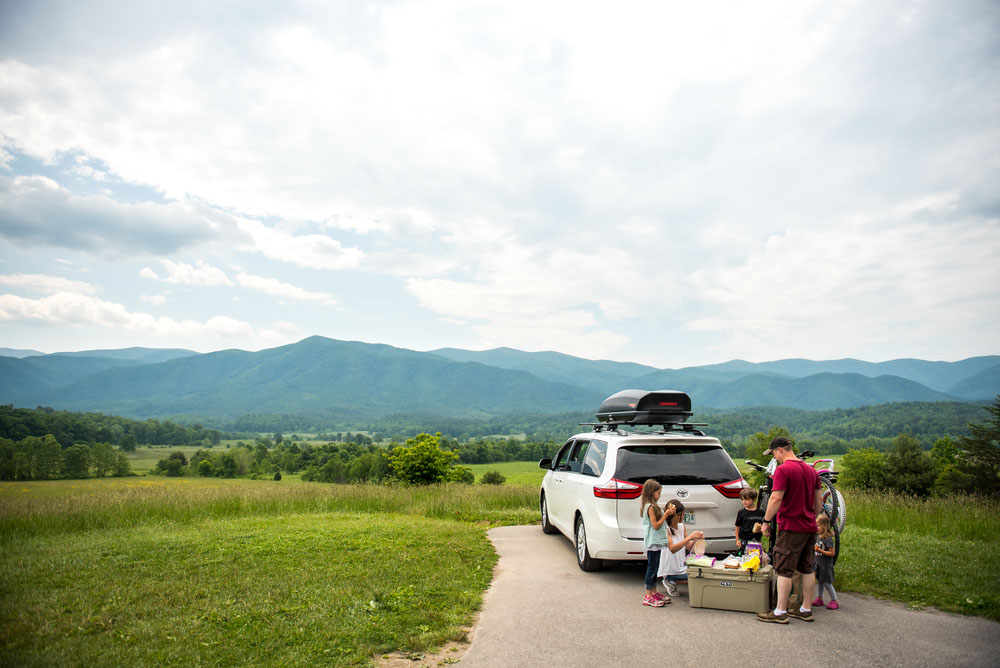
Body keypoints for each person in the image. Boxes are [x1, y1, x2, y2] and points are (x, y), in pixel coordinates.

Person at [757, 436, 822, 624]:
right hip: (810, 526)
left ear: (780, 450)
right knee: (807, 568)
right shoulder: (811, 471)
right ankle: (805, 609)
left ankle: (780, 612)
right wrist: (813, 517)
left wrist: (766, 520)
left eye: (774, 454)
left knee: (783, 569)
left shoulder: (783, 470)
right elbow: (818, 501)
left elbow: (776, 498)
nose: (775, 458)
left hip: (791, 526)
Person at [657, 498, 705, 598]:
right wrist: (689, 537)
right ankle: (669, 580)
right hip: (670, 570)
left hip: (681, 567)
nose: (682, 517)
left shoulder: (682, 526)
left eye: (682, 514)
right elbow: (672, 549)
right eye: (679, 515)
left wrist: (696, 539)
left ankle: (673, 580)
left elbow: (688, 546)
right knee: (698, 576)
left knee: (703, 572)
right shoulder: (665, 529)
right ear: (671, 516)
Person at [640, 479, 672, 606]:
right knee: (652, 568)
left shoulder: (654, 507)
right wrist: (666, 515)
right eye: (658, 493)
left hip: (657, 542)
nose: (660, 495)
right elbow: (656, 525)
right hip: (653, 542)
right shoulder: (650, 507)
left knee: (655, 568)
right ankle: (648, 595)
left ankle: (654, 592)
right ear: (651, 493)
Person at [812, 513, 839, 610]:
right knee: (819, 581)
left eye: (818, 525)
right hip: (818, 564)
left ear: (824, 526)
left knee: (827, 583)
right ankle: (819, 597)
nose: (816, 527)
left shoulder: (828, 540)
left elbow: (832, 553)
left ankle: (834, 600)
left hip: (825, 565)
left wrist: (820, 551)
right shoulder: (817, 537)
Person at [734, 487, 764, 553]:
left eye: (746, 499)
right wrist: (737, 540)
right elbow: (737, 527)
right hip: (744, 539)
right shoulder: (741, 512)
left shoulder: (760, 512)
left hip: (756, 539)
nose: (744, 502)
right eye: (742, 499)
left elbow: (765, 524)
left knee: (756, 557)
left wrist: (765, 531)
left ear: (753, 499)